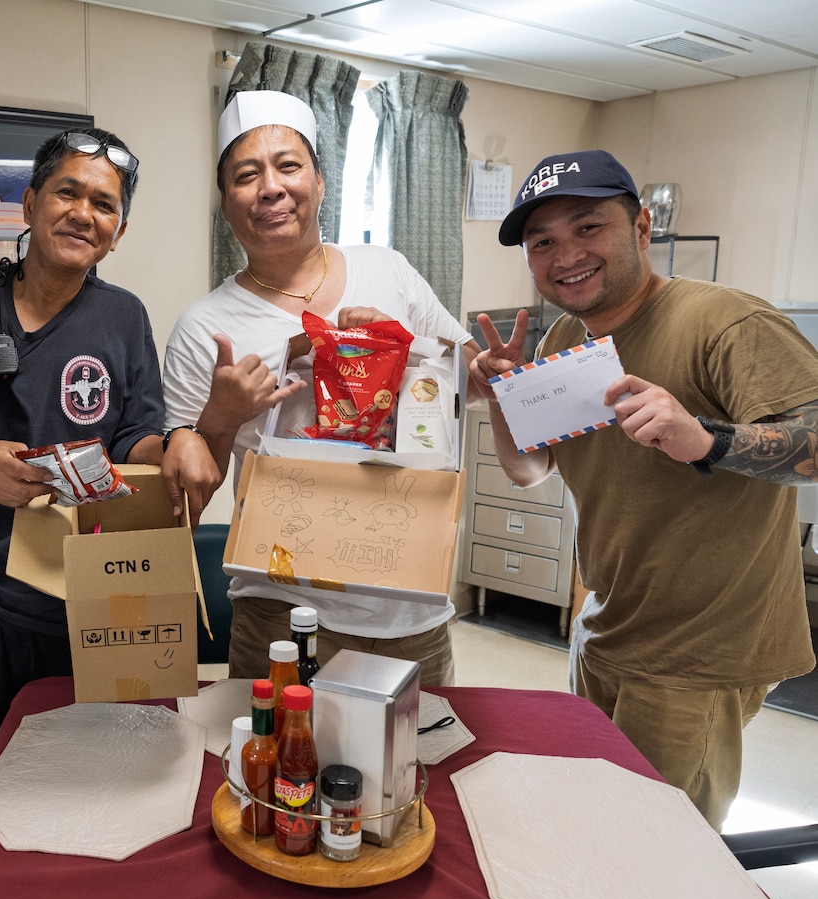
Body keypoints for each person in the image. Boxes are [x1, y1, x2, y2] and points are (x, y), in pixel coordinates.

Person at [0, 127, 218, 846]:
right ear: (30, 203)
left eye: (104, 204)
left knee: (86, 783)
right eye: (67, 191)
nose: (83, 213)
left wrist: (182, 441)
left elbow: (135, 435)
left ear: (117, 233)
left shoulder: (120, 316)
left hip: (84, 595)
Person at [470, 148, 818, 829]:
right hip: (605, 628)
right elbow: (530, 470)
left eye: (588, 227)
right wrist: (502, 399)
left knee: (663, 848)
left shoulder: (725, 322)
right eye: (543, 242)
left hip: (695, 649)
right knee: (598, 822)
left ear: (641, 227)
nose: (566, 254)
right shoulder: (569, 336)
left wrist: (706, 439)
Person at [163, 90, 475, 685]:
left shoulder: (388, 269)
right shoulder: (206, 326)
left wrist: (404, 346)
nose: (271, 188)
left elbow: (468, 382)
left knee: (413, 773)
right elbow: (184, 505)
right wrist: (222, 417)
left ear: (320, 181)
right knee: (279, 772)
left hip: (411, 601)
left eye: (288, 165)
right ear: (226, 205)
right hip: (282, 611)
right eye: (246, 175)